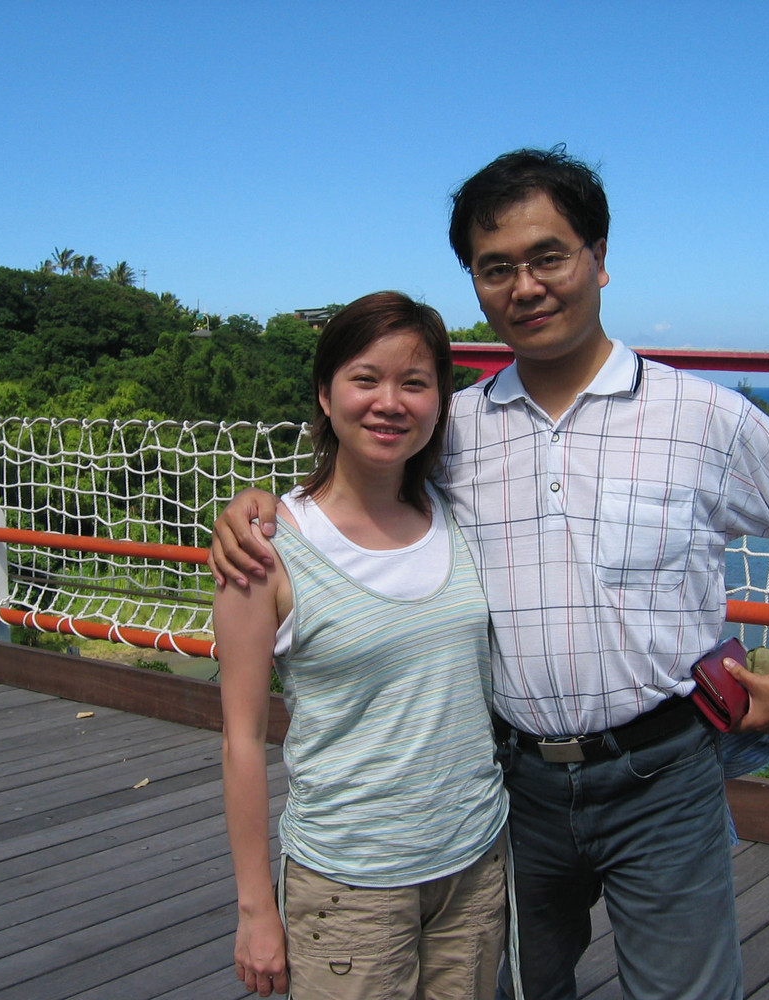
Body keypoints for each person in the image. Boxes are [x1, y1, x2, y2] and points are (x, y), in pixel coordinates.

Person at [211, 149, 769, 1000]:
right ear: (476, 284)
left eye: (547, 256)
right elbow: (362, 487)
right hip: (510, 787)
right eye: (496, 268)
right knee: (522, 988)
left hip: (662, 771)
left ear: (597, 257)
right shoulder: (454, 426)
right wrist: (259, 504)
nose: (524, 286)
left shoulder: (702, 415)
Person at [216, 291, 509, 1000]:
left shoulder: (459, 513)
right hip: (348, 882)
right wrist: (255, 909)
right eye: (365, 379)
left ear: (440, 402)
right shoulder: (266, 550)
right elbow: (240, 740)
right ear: (325, 394)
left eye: (415, 383)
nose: (389, 403)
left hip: (474, 862)